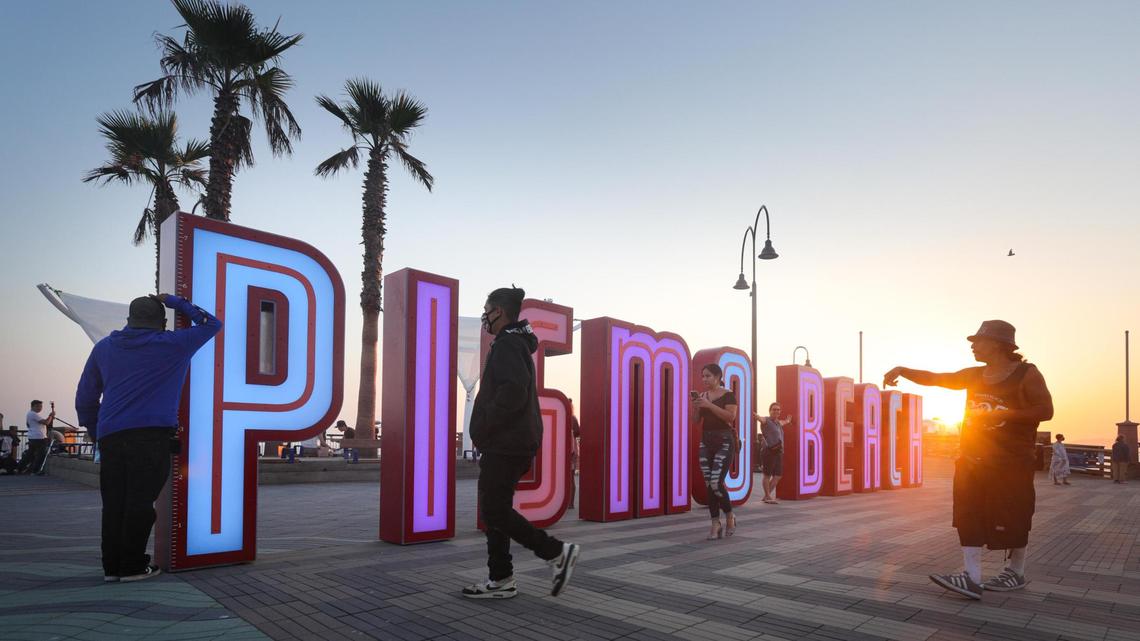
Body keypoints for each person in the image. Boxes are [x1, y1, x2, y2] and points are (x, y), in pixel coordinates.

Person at [884, 320, 1053, 600]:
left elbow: (1045, 410)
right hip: (972, 458)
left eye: (978, 341)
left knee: (1015, 513)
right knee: (967, 512)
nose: (972, 346)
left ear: (998, 345)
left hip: (1012, 461)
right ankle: (971, 577)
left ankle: (1016, 572)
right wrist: (903, 370)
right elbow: (938, 378)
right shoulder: (975, 375)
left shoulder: (1026, 374)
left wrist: (1001, 414)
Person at [75, 293, 222, 583]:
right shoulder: (173, 344)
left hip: (111, 436)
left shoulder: (104, 348)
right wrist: (176, 301)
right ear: (162, 322)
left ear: (129, 319)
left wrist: (96, 432)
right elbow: (211, 324)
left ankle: (112, 567)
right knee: (141, 502)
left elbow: (85, 397)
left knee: (114, 502)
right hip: (151, 437)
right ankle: (131, 566)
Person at [463, 286, 580, 600]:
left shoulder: (507, 345)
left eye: (487, 310)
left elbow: (513, 391)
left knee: (494, 511)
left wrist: (486, 427)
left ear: (499, 311)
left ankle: (556, 552)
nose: (485, 316)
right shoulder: (515, 344)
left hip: (505, 442)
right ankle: (501, 579)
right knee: (496, 509)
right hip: (510, 441)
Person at [691, 364, 740, 539]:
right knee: (708, 485)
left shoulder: (728, 395)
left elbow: (730, 417)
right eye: (703, 376)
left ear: (718, 377)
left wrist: (709, 405)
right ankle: (715, 523)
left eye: (708, 376)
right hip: (706, 441)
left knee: (716, 482)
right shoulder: (703, 396)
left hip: (724, 441)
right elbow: (696, 421)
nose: (704, 379)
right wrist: (697, 406)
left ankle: (729, 516)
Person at [755, 402, 791, 505]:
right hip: (769, 451)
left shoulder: (778, 423)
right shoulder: (766, 420)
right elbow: (761, 419)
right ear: (770, 411)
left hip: (779, 452)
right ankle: (767, 496)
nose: (776, 411)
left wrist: (788, 421)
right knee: (767, 475)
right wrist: (757, 416)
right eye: (774, 409)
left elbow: (784, 422)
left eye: (778, 410)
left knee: (778, 476)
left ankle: (766, 496)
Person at [24, 400, 55, 475]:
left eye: (41, 406)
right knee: (40, 455)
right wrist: (50, 416)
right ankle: (35, 471)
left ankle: (21, 468)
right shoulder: (34, 414)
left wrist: (50, 418)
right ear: (32, 406)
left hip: (33, 437)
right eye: (37, 406)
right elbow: (46, 422)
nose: (39, 408)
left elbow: (28, 425)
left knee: (30, 454)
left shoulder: (29, 414)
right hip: (39, 437)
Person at [567, 399, 580, 509]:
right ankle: (569, 502)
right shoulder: (573, 418)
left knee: (569, 477)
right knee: (570, 477)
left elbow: (577, 432)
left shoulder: (570, 418)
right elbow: (578, 433)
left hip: (570, 451)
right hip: (571, 450)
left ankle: (570, 502)